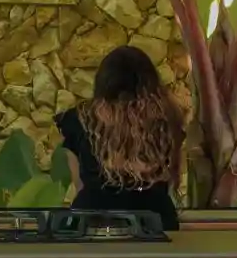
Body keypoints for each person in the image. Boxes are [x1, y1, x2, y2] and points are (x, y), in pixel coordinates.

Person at [53, 45, 185, 230]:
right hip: (156, 222)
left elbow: (80, 183)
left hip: (91, 224)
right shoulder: (169, 116)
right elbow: (173, 175)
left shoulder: (77, 119)